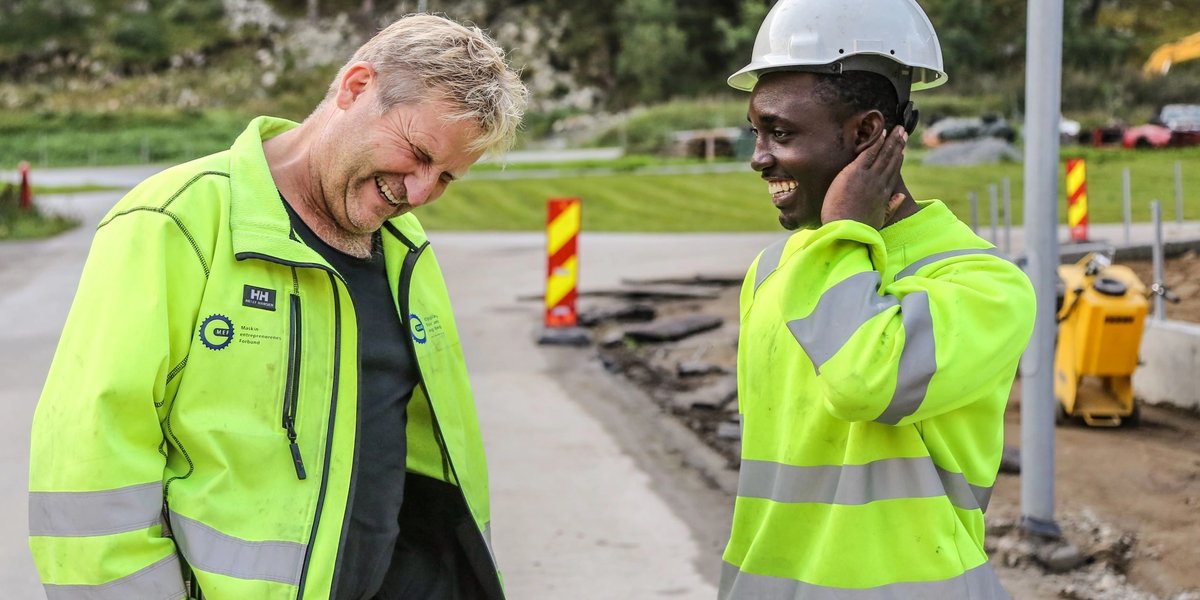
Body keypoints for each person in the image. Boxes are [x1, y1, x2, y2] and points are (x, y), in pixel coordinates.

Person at [28, 14, 526, 600]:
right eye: (417, 153)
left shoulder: (407, 252)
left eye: (445, 178)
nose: (418, 193)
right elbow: (90, 463)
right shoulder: (176, 222)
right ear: (356, 87)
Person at [719, 0, 1035, 597]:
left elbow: (865, 381)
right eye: (755, 132)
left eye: (781, 134)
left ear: (866, 134)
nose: (759, 158)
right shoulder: (770, 272)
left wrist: (842, 230)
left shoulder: (985, 285)